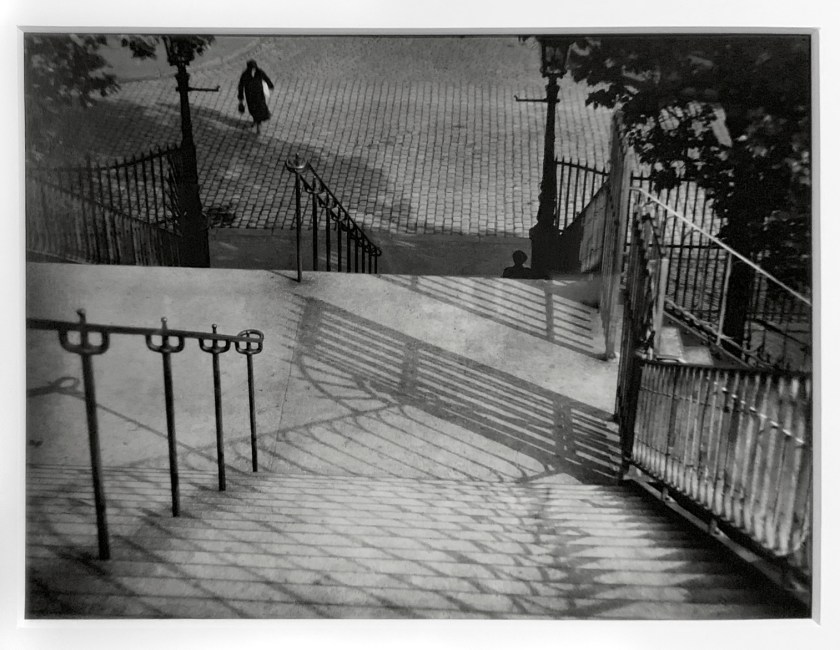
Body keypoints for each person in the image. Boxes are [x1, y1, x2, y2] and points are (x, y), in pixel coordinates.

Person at [237, 60, 274, 134]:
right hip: (250, 96)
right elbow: (241, 86)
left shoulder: (259, 72)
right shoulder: (245, 75)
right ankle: (256, 121)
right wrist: (241, 98)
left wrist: (270, 85)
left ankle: (258, 124)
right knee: (253, 110)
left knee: (260, 109)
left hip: (259, 95)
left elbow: (266, 78)